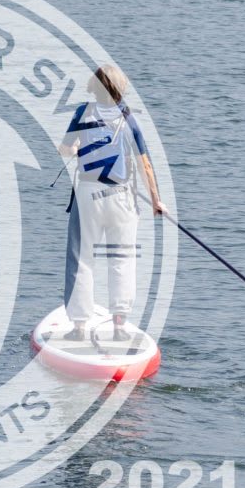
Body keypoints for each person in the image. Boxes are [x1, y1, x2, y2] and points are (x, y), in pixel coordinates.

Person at [62, 63, 163, 344]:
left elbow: (66, 148)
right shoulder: (129, 118)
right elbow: (144, 165)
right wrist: (156, 201)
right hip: (121, 199)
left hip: (88, 196)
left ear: (94, 88)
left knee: (82, 259)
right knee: (122, 258)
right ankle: (119, 326)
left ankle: (79, 327)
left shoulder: (82, 113)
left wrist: (75, 149)